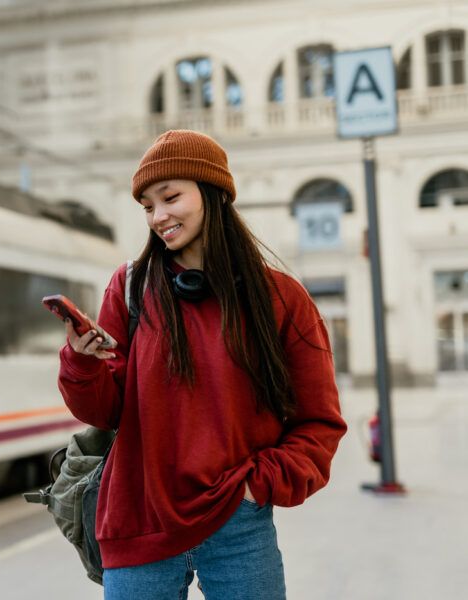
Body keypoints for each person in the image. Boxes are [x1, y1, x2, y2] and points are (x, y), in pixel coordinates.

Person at [57, 130, 347, 599]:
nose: (159, 216)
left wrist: (259, 485)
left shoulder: (281, 299)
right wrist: (81, 362)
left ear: (213, 193)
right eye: (148, 205)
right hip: (139, 522)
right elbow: (104, 411)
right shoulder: (129, 288)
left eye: (171, 196)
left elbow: (320, 422)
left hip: (239, 527)